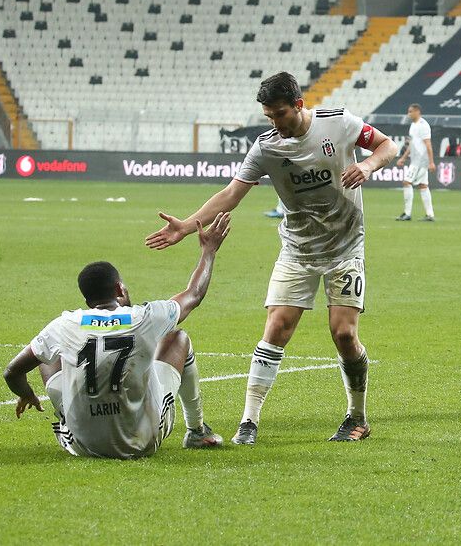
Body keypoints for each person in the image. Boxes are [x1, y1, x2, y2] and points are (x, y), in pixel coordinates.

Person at [145, 72, 397, 444]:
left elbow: (387, 145)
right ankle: (249, 422)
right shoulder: (266, 148)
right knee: (276, 328)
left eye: (280, 114)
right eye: (268, 117)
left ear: (298, 105)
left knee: (344, 334)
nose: (275, 123)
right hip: (297, 249)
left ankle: (357, 417)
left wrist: (368, 165)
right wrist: (185, 226)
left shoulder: (339, 123)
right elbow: (232, 193)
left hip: (345, 246)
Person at [2, 213, 232, 459]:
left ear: (87, 300)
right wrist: (208, 251)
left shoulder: (65, 323)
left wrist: (27, 394)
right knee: (178, 338)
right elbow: (194, 294)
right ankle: (196, 430)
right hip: (140, 442)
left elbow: (12, 371)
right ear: (120, 288)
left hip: (81, 445)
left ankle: (66, 413)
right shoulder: (144, 317)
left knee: (47, 352)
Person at [395, 103, 435, 222]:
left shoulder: (423, 126)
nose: (409, 114)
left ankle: (407, 213)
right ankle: (430, 215)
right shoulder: (413, 125)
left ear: (417, 111)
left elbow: (428, 144)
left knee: (407, 182)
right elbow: (412, 144)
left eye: (410, 111)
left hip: (421, 161)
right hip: (416, 160)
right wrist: (403, 157)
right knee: (423, 186)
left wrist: (431, 162)